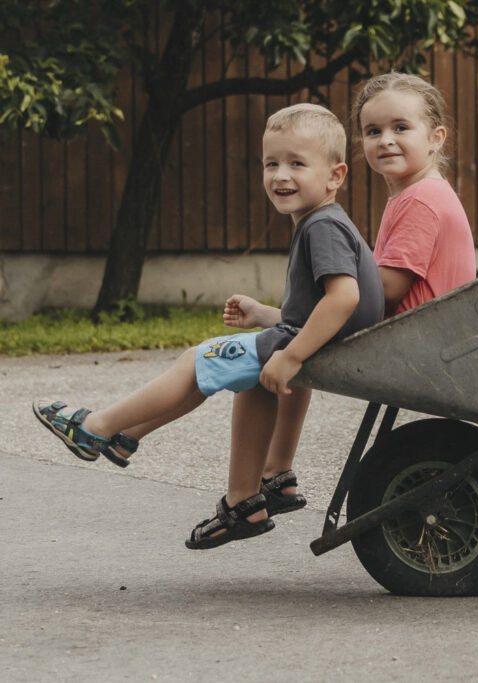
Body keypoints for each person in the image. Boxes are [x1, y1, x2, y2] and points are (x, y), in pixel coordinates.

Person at [33, 103, 385, 549]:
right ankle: (243, 486)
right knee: (240, 375)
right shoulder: (323, 223)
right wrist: (264, 315)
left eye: (297, 163)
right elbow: (317, 312)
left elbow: (344, 299)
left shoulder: (322, 228)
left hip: (313, 348)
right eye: (271, 163)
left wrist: (291, 354)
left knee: (198, 361)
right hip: (328, 343)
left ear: (335, 176)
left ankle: (96, 428)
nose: (281, 175)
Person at [352, 73, 477, 316]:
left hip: (417, 345)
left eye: (401, 128)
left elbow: (387, 291)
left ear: (435, 138)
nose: (386, 140)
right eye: (373, 131)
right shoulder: (424, 193)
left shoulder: (420, 199)